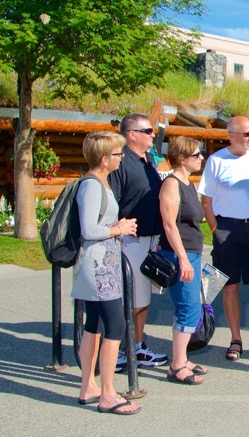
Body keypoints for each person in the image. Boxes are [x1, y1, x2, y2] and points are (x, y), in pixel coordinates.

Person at [198, 116, 249, 362]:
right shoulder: (216, 161)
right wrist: (216, 231)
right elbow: (207, 201)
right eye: (246, 134)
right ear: (231, 135)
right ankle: (236, 339)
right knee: (230, 285)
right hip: (227, 228)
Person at [72, 131, 141, 415]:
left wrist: (115, 225)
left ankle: (89, 386)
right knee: (115, 325)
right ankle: (108, 393)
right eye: (117, 154)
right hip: (99, 268)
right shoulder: (92, 186)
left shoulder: (101, 182)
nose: (122, 157)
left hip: (101, 265)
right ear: (104, 159)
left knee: (95, 324)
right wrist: (119, 229)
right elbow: (89, 230)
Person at [107, 113, 168, 370]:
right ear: (131, 134)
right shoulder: (121, 163)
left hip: (151, 240)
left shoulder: (147, 160)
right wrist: (117, 233)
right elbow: (113, 203)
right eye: (147, 131)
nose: (153, 135)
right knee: (131, 300)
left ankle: (138, 346)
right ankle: (120, 348)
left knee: (143, 300)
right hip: (130, 240)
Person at [156, 136, 207, 385]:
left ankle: (183, 358)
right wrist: (183, 259)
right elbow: (168, 224)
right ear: (183, 158)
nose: (201, 158)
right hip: (179, 255)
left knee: (191, 306)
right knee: (188, 307)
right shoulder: (171, 184)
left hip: (192, 253)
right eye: (197, 154)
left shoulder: (188, 183)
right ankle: (176, 366)